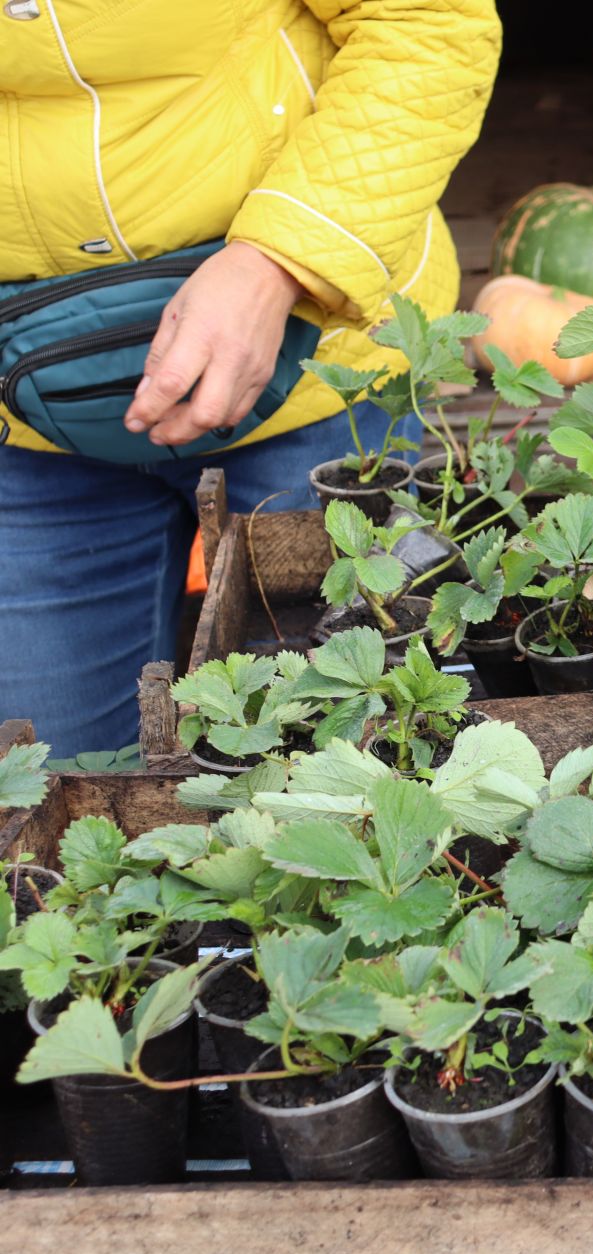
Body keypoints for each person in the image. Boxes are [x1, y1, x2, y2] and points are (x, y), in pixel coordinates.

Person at [0, 0, 502, 758]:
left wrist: (280, 263)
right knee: (45, 807)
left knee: (361, 764)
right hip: (26, 429)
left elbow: (430, 18)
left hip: (317, 371)